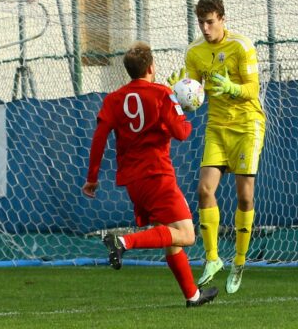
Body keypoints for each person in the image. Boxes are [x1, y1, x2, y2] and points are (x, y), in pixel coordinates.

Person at [82, 41, 218, 308]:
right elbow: (181, 133)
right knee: (187, 234)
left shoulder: (114, 99)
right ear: (152, 67)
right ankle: (123, 241)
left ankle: (192, 295)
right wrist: (181, 108)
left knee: (171, 234)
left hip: (133, 181)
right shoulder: (162, 94)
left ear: (129, 71)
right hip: (157, 175)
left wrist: (93, 177)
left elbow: (99, 138)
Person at [169, 0, 266, 294]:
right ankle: (212, 258)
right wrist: (175, 92)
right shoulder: (195, 52)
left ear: (223, 19)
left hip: (247, 125)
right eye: (201, 23)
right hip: (217, 127)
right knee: (204, 190)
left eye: (210, 21)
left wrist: (233, 88)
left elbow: (253, 89)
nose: (206, 28)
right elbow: (193, 98)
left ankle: (239, 260)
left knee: (245, 196)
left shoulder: (241, 47)